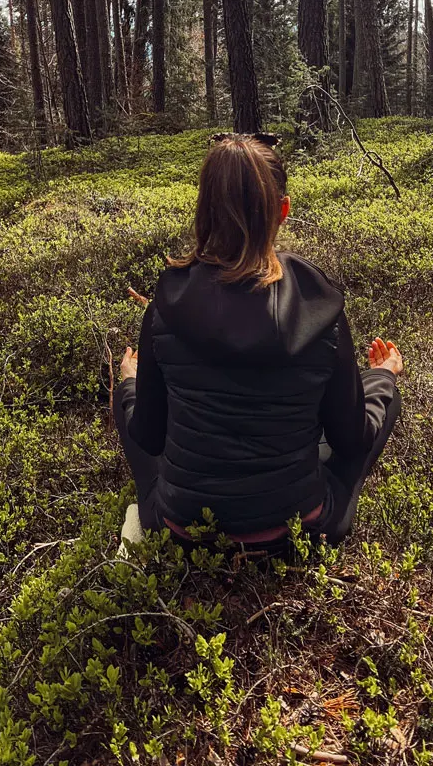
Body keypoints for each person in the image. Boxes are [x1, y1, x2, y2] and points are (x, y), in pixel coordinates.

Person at [113, 133, 403, 551]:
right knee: (379, 405)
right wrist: (380, 378)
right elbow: (351, 440)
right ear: (282, 210)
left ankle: (128, 390)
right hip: (296, 530)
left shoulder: (166, 303)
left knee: (130, 401)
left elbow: (150, 436)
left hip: (181, 530)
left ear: (204, 212)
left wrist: (130, 384)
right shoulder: (318, 304)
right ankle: (384, 380)